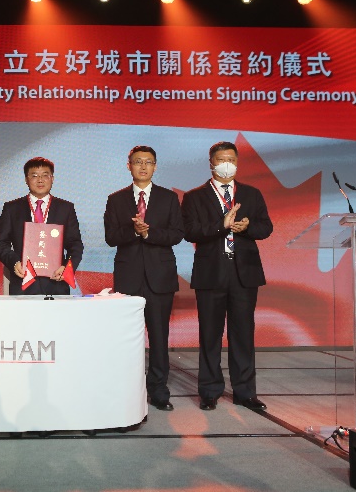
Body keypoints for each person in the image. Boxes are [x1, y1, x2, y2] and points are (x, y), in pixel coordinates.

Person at [181, 141, 273, 411]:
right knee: (210, 334)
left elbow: (266, 227)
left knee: (243, 334)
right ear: (211, 163)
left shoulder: (252, 194)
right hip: (211, 273)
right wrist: (220, 226)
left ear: (237, 162)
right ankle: (209, 390)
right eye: (221, 159)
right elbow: (190, 232)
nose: (226, 163)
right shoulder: (194, 197)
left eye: (231, 159)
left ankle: (245, 392)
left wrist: (246, 227)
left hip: (244, 273)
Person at [104, 146, 184, 411]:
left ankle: (159, 389)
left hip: (160, 277)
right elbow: (111, 237)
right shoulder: (115, 199)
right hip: (129, 278)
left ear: (155, 166)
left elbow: (176, 234)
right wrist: (134, 231)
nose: (143, 166)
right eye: (138, 162)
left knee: (159, 336)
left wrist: (149, 234)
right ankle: (128, 387)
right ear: (129, 166)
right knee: (128, 338)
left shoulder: (169, 198)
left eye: (148, 162)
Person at [0, 157, 84, 295]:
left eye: (45, 175)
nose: (40, 180)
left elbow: (75, 244)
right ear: (26, 179)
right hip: (23, 282)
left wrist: (68, 267)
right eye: (34, 176)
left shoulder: (66, 208)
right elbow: (1, 243)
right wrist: (14, 263)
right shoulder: (11, 208)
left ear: (52, 178)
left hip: (56, 282)